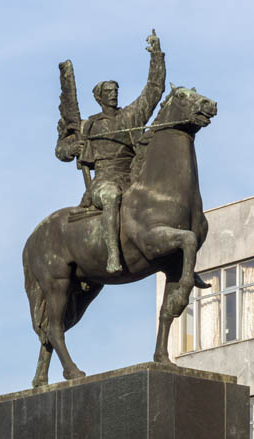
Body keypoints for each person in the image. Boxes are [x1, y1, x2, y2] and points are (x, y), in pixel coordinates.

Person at [56, 31, 165, 274]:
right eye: (108, 92)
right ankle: (113, 255)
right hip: (104, 181)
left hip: (132, 177)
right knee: (112, 196)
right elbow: (61, 150)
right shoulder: (89, 126)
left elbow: (154, 90)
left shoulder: (131, 116)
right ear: (99, 97)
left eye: (115, 90)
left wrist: (156, 55)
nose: (114, 94)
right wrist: (75, 147)